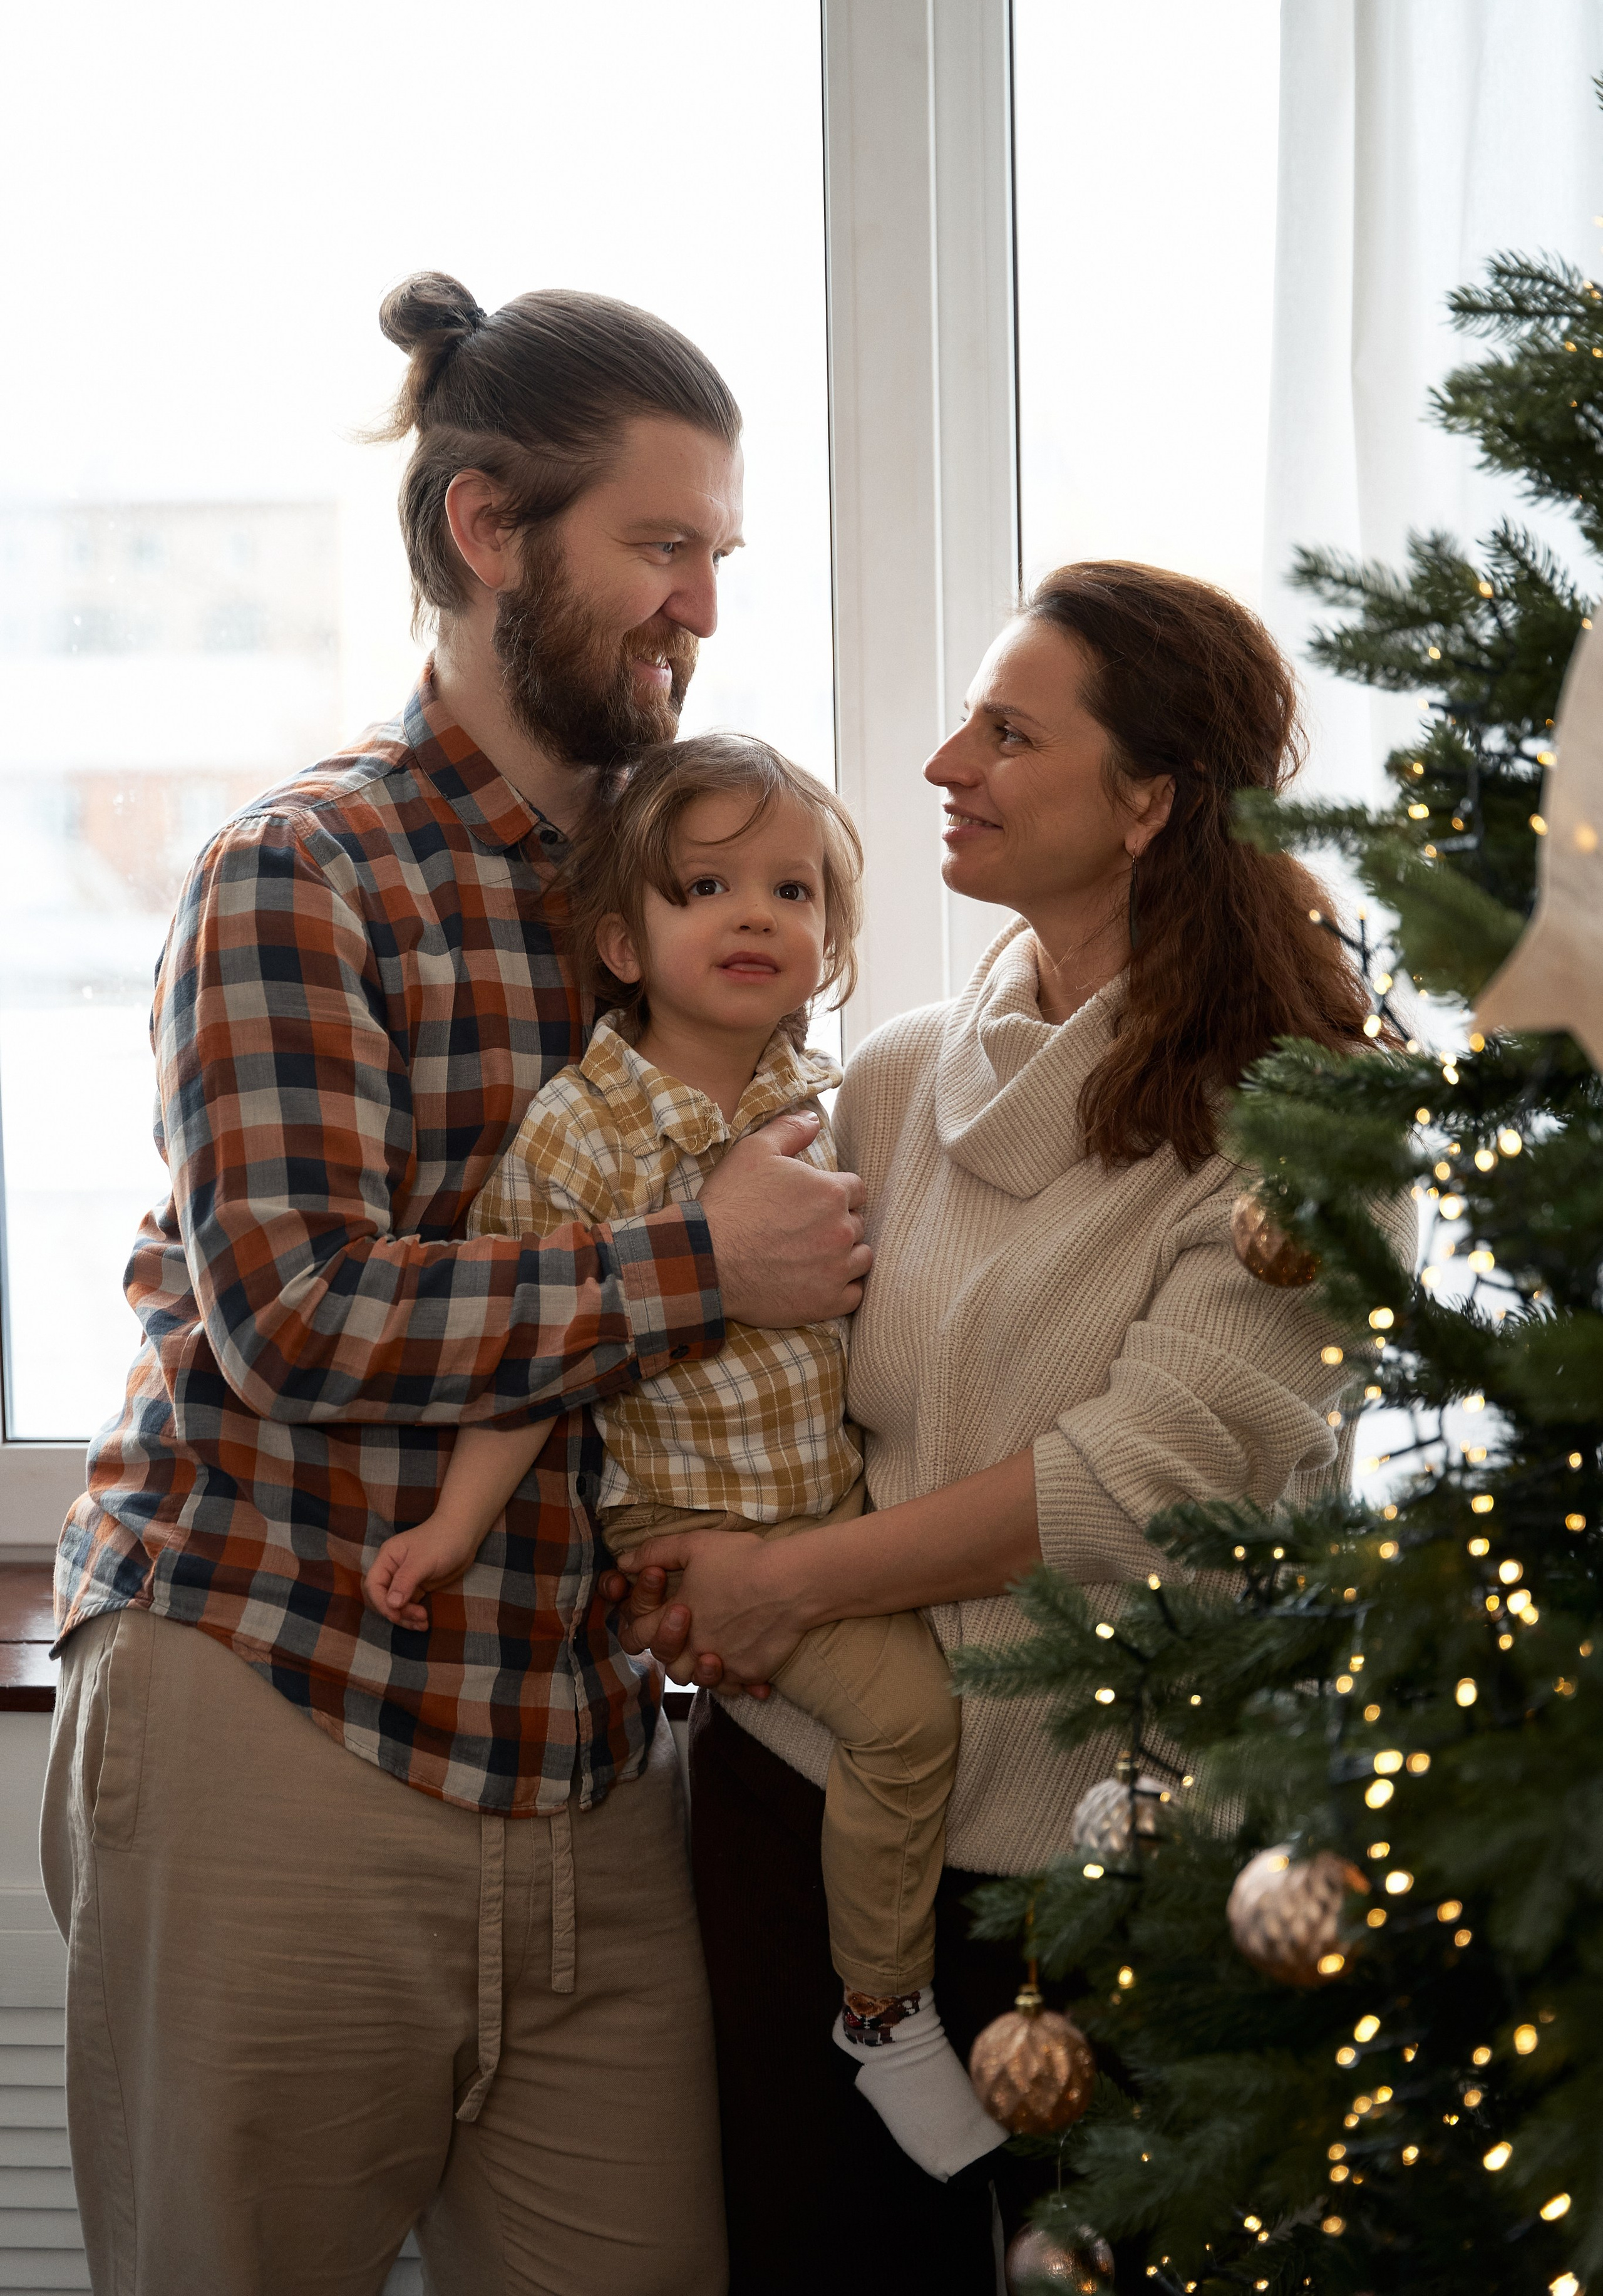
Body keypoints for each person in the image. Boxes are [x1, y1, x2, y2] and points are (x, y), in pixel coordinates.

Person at [41, 272, 870, 2296]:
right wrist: (694, 1261)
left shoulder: (698, 892)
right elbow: (302, 1318)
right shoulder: (300, 878)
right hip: (284, 1711)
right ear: (489, 530)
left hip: (589, 1774)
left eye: (721, 557)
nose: (703, 610)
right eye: (661, 549)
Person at [609, 561, 1386, 2294]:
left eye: (1009, 730)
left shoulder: (1306, 1117)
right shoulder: (889, 1075)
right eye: (966, 715)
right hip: (806, 1810)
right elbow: (738, 1366)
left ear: (1150, 803)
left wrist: (783, 1583)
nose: (948, 760)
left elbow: (1137, 1482)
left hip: (1114, 1859)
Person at [364, 731, 1003, 2183]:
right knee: (910, 1725)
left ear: (831, 937)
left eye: (789, 890)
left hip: (823, 1500)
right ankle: (883, 2011)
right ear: (621, 939)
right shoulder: (583, 1133)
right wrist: (455, 1531)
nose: (752, 917)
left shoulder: (815, 1094)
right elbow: (526, 1359)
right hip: (698, 1520)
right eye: (705, 885)